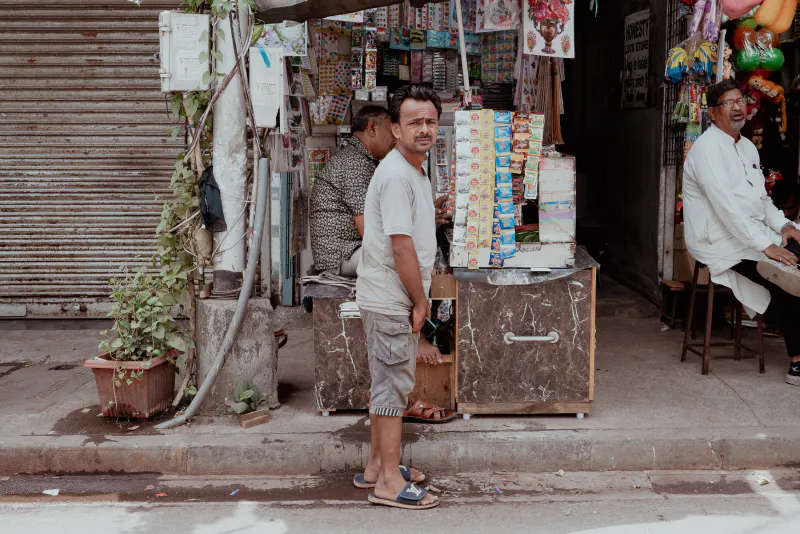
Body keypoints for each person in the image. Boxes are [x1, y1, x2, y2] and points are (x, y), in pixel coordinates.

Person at [355, 85, 442, 509]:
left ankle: (376, 464)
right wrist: (420, 301)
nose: (424, 129)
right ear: (394, 128)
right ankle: (388, 482)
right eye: (414, 122)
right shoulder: (394, 174)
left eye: (430, 121)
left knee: (385, 383)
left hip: (389, 295)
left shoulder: (412, 170)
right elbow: (400, 245)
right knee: (392, 388)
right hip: (392, 298)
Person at [683, 79, 800, 386]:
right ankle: (797, 362)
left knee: (794, 257)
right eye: (728, 103)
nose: (738, 108)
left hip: (751, 234)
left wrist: (784, 226)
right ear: (712, 112)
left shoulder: (747, 147)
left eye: (741, 101)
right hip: (718, 240)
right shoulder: (706, 150)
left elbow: (762, 200)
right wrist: (766, 246)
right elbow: (727, 210)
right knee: (785, 275)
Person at [309, 105, 395, 277]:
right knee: (406, 258)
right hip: (342, 256)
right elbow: (369, 229)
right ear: (372, 128)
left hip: (349, 252)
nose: (395, 138)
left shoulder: (358, 159)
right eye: (391, 130)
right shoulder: (354, 164)